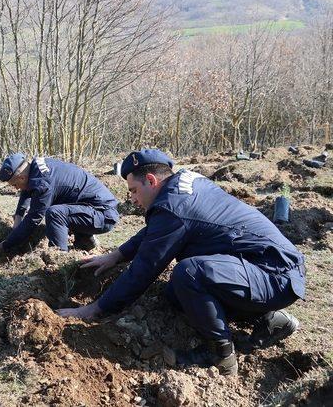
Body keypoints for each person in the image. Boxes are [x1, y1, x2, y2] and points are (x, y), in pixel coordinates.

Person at [57, 149, 305, 376]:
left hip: (274, 273)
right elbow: (158, 230)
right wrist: (117, 255)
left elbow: (143, 271)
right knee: (177, 293)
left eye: (133, 190)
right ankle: (269, 320)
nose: (132, 198)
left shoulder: (173, 207)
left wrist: (94, 309)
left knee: (190, 273)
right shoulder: (183, 184)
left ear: (151, 181)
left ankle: (221, 356)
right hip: (261, 267)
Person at [0, 153, 120, 252]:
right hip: (90, 207)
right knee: (60, 208)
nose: (16, 189)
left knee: (55, 213)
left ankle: (59, 256)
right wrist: (17, 220)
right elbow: (26, 191)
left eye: (15, 185)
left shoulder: (42, 183)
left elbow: (33, 219)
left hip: (103, 214)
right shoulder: (35, 167)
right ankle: (85, 242)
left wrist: (7, 244)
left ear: (22, 177)